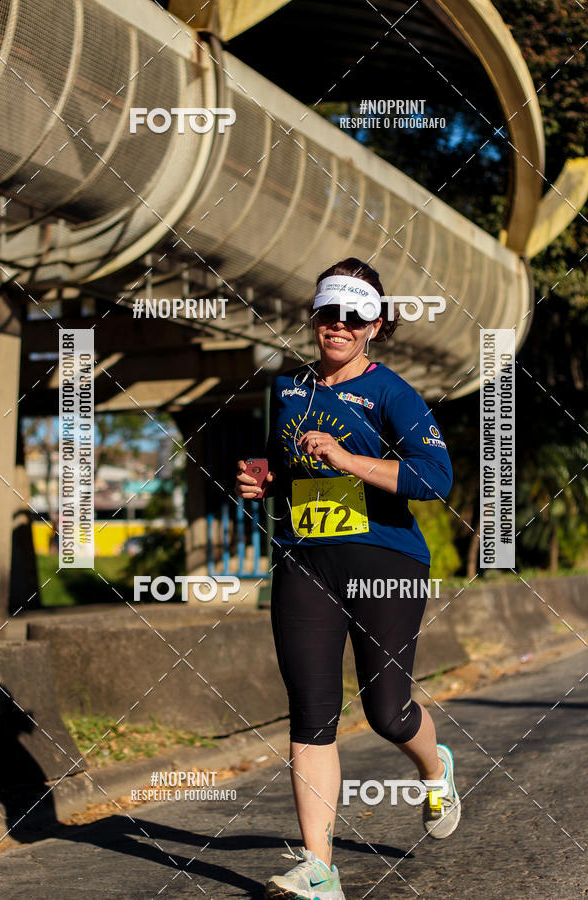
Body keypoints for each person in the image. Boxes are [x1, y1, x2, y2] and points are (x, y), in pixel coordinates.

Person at [235, 258, 460, 900]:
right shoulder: (288, 390)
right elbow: (288, 470)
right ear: (314, 317)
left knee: (387, 712)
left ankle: (434, 768)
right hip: (307, 560)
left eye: (353, 316)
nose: (338, 326)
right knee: (311, 711)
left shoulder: (392, 394)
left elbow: (435, 480)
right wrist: (265, 482)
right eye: (328, 313)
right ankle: (319, 868)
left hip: (385, 561)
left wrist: (348, 458)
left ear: (375, 325)